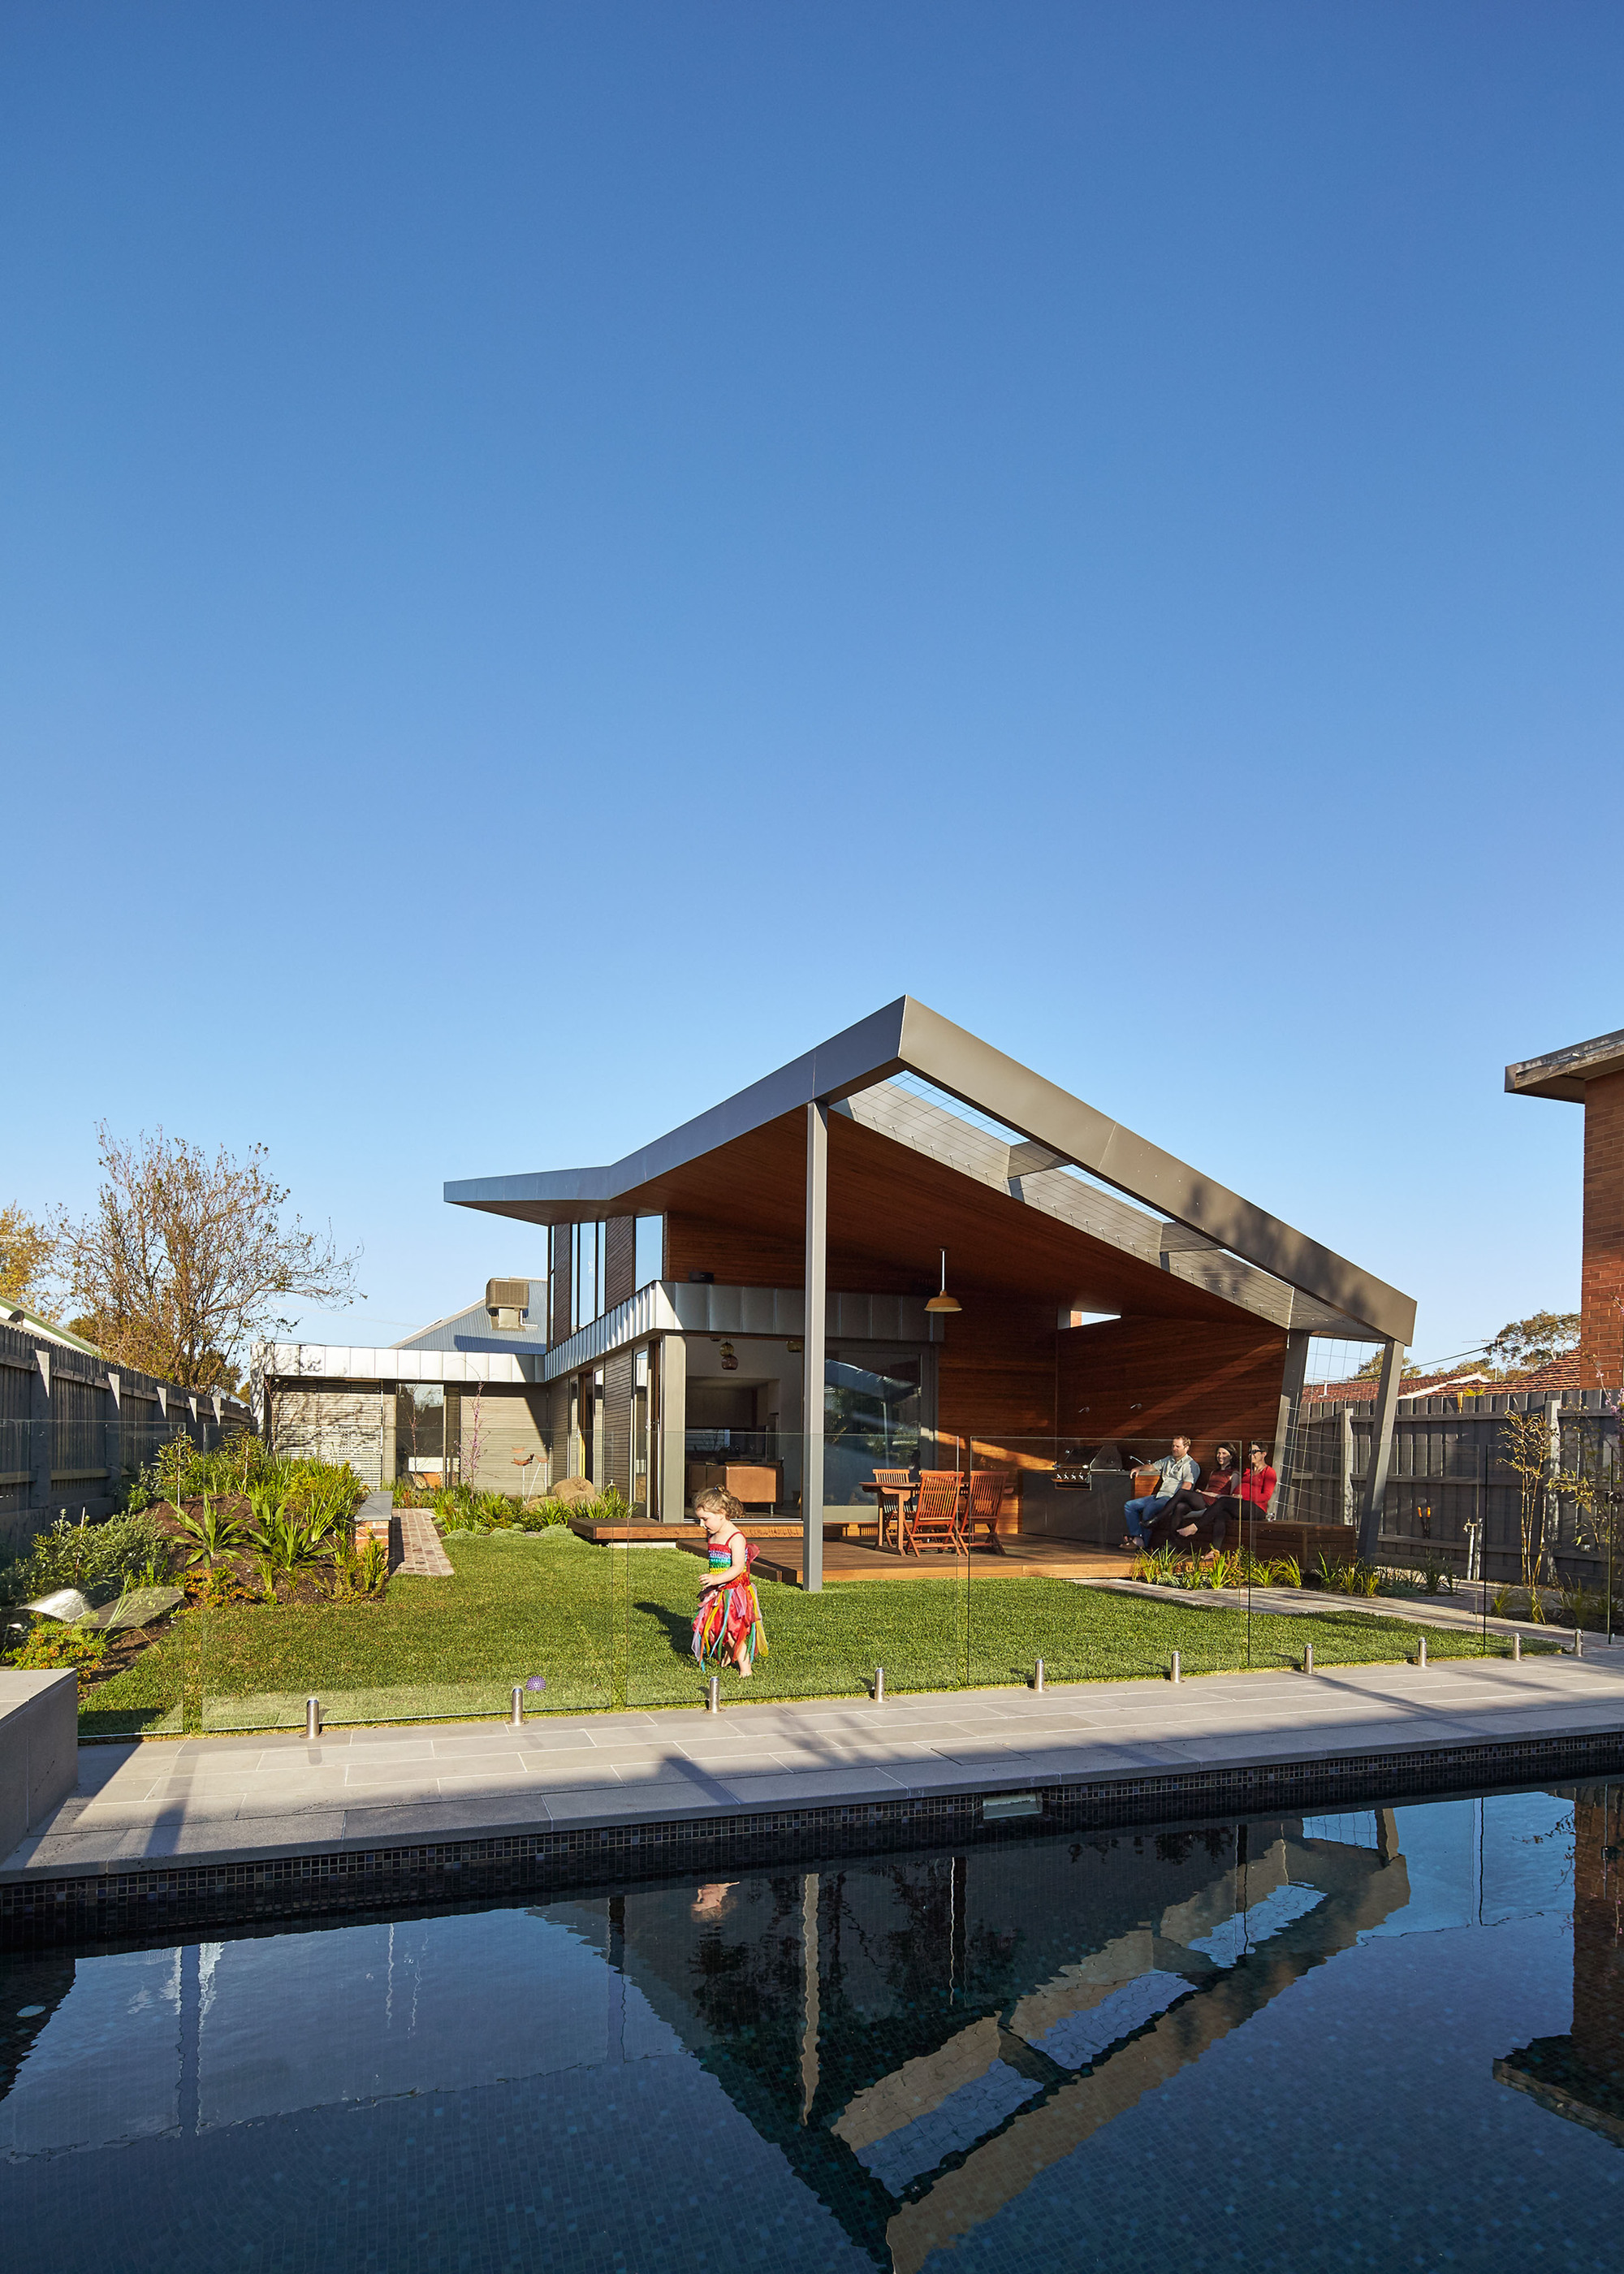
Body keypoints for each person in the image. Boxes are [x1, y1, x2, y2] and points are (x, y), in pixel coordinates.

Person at [691, 1485, 768, 1679]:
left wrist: (716, 1579)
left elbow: (737, 1567)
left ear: (721, 1513)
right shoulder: (712, 1535)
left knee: (734, 1631)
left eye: (705, 1519)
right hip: (717, 1591)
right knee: (715, 1627)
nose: (702, 1525)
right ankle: (729, 1653)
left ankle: (745, 1668)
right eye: (699, 1519)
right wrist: (713, 1584)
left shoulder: (736, 1537)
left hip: (734, 1593)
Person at [1149, 1442, 1241, 1556]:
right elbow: (1207, 1489)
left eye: (1224, 1453)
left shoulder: (1234, 1473)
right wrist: (1201, 1493)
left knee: (1182, 1493)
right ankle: (1171, 1542)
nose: (1220, 1456)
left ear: (1231, 1456)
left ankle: (1158, 1518)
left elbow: (1231, 1498)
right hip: (1205, 1499)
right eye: (1218, 1453)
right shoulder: (1214, 1472)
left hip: (1216, 1503)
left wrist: (1211, 1494)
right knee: (1180, 1507)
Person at [1121, 1437, 1198, 1548]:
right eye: (1173, 1446)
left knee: (1149, 1509)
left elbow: (1187, 1486)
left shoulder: (1190, 1465)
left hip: (1171, 1498)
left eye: (1177, 1446)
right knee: (1129, 1506)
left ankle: (1145, 1545)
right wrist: (1139, 1468)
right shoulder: (1168, 1459)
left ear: (1186, 1448)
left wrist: (1174, 1501)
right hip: (1159, 1495)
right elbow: (1152, 1467)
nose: (1174, 1449)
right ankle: (1138, 1538)